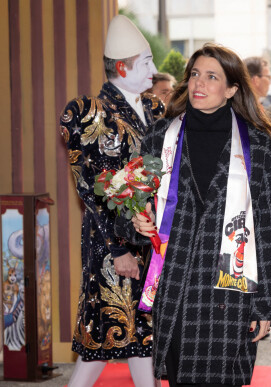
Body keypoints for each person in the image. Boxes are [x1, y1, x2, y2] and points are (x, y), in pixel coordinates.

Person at [117, 43, 271, 386]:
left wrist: (267, 306)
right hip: (176, 286)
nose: (199, 83)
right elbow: (130, 209)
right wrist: (136, 221)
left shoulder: (257, 144)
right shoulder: (158, 138)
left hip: (232, 290)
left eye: (212, 77)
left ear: (231, 89)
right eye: (195, 74)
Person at [59, 15, 163, 387]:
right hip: (110, 244)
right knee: (106, 334)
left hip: (151, 240)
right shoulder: (87, 113)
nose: (154, 70)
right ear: (122, 67)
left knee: (142, 336)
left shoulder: (154, 109)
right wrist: (119, 248)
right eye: (146, 63)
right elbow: (89, 188)